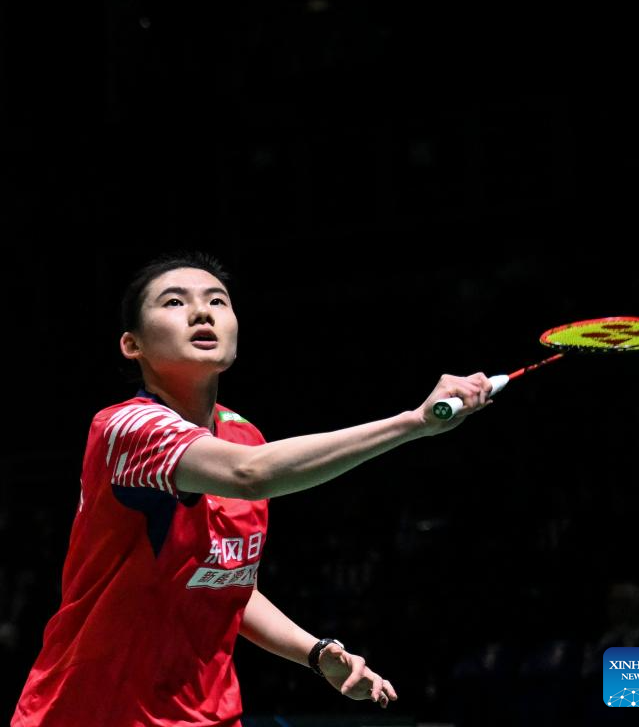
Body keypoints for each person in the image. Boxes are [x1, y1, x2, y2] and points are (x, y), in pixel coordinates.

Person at [12, 250, 493, 727]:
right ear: (131, 344)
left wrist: (315, 652)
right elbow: (252, 474)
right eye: (175, 302)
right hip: (89, 711)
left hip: (207, 714)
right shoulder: (125, 427)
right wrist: (414, 423)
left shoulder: (244, 436)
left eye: (217, 301)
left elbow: (228, 583)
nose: (202, 312)